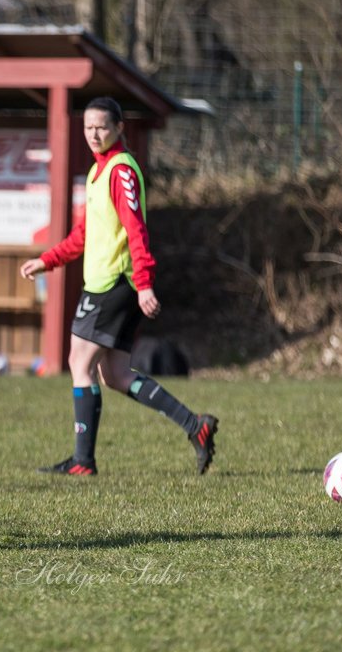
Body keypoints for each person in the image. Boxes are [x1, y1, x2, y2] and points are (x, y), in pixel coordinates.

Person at [19, 97, 217, 476]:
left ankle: (83, 461)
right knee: (116, 375)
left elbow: (135, 229)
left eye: (102, 127)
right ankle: (197, 426)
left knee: (79, 362)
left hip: (116, 283)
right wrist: (48, 260)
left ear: (120, 128)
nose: (94, 134)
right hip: (106, 283)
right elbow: (84, 234)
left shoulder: (121, 170)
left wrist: (143, 284)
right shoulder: (98, 172)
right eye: (88, 127)